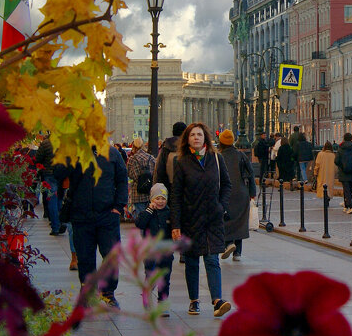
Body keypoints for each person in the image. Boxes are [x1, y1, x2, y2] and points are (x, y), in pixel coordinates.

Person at [53, 142, 130, 306]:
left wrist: (118, 206)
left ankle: (108, 292)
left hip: (107, 214)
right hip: (81, 216)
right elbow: (58, 172)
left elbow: (122, 180)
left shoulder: (113, 154)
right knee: (85, 257)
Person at [170, 122, 233, 317]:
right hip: (190, 219)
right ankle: (194, 301)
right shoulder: (181, 162)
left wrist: (220, 206)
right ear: (187, 139)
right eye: (192, 135)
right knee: (191, 261)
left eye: (199, 134)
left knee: (212, 259)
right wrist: (176, 224)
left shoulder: (216, 158)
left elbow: (227, 185)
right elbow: (176, 195)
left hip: (212, 218)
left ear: (205, 137)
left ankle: (217, 301)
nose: (196, 137)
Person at [217, 129, 256, 262]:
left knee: (225, 219)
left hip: (225, 194)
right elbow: (250, 174)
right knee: (240, 221)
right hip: (241, 193)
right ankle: (237, 252)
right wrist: (252, 193)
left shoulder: (218, 156)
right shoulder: (241, 156)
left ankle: (228, 244)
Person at [133, 183, 173, 311]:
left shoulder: (169, 212)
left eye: (163, 198)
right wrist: (149, 210)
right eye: (157, 198)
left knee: (165, 278)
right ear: (151, 199)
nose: (160, 201)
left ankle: (162, 300)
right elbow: (140, 224)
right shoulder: (147, 212)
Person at [34, 134, 65, 237]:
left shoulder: (46, 143)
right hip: (62, 173)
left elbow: (37, 158)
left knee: (52, 200)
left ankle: (55, 227)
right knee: (60, 199)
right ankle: (62, 222)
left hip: (49, 174)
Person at [125, 137, 156, 218]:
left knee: (141, 219)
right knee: (150, 218)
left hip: (137, 193)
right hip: (150, 191)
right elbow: (155, 173)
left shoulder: (132, 159)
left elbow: (129, 174)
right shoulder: (151, 158)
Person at [154, 121, 187, 188]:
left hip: (168, 188)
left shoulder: (166, 147)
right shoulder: (188, 147)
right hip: (186, 188)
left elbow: (159, 171)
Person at [336, 132, 352, 213]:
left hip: (343, 172)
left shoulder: (340, 148)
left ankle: (349, 206)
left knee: (346, 189)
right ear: (351, 139)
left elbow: (336, 160)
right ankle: (350, 204)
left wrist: (342, 166)